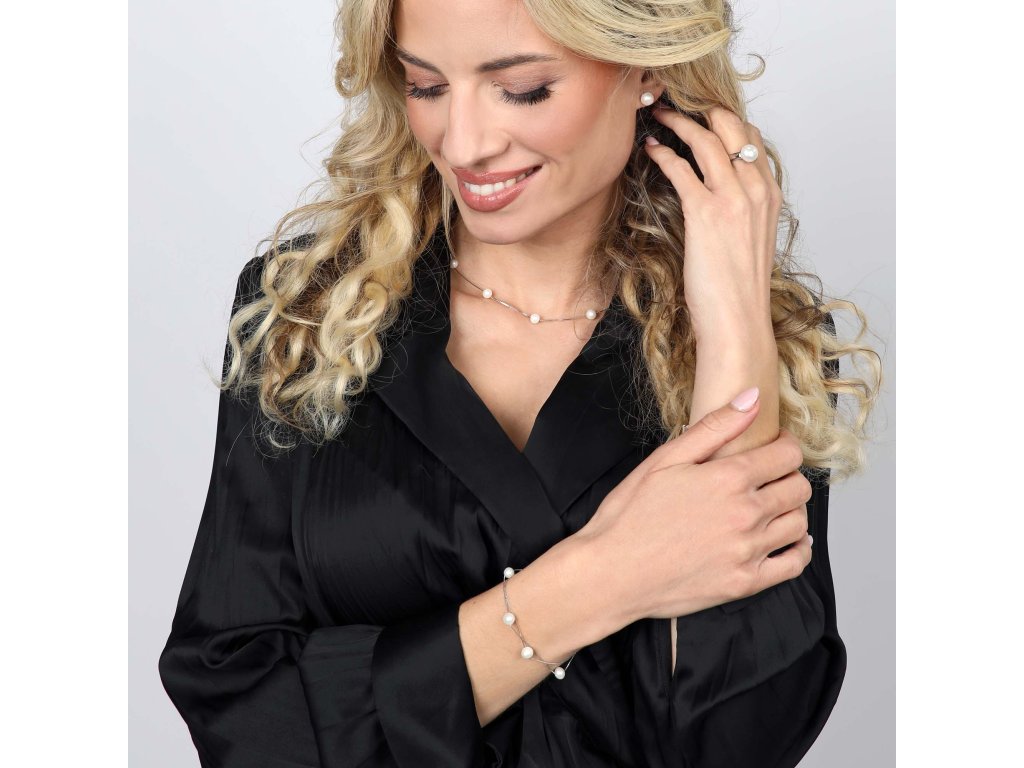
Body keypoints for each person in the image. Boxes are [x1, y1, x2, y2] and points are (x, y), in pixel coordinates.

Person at [158, 0, 881, 766]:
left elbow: (739, 740)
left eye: (523, 90)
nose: (464, 143)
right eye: (427, 86)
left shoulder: (766, 345)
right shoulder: (308, 312)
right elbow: (239, 712)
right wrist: (605, 577)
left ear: (646, 68)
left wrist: (734, 323)